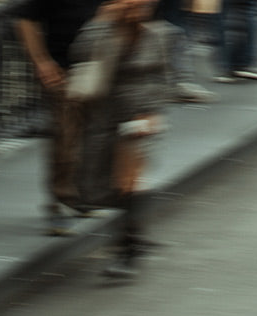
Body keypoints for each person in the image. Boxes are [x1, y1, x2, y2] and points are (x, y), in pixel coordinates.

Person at [70, 0, 174, 280]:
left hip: (140, 118)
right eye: (133, 5)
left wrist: (153, 113)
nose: (139, 10)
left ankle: (127, 248)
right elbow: (80, 54)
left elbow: (163, 78)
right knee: (103, 184)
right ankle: (134, 235)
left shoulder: (159, 34)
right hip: (105, 117)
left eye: (144, 5)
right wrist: (100, 21)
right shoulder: (103, 32)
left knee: (128, 181)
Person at [16, 0, 102, 235]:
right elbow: (25, 19)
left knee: (92, 134)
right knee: (66, 135)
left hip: (100, 67)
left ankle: (80, 194)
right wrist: (42, 61)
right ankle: (60, 201)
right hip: (62, 70)